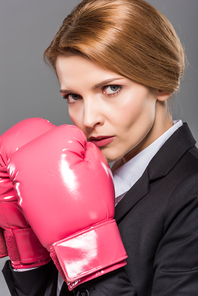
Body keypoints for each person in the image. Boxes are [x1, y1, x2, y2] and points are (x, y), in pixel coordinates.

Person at [1, 0, 198, 295]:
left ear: (161, 83)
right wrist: (30, 249)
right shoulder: (86, 178)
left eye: (111, 88)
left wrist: (86, 251)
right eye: (73, 96)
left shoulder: (191, 193)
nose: (88, 119)